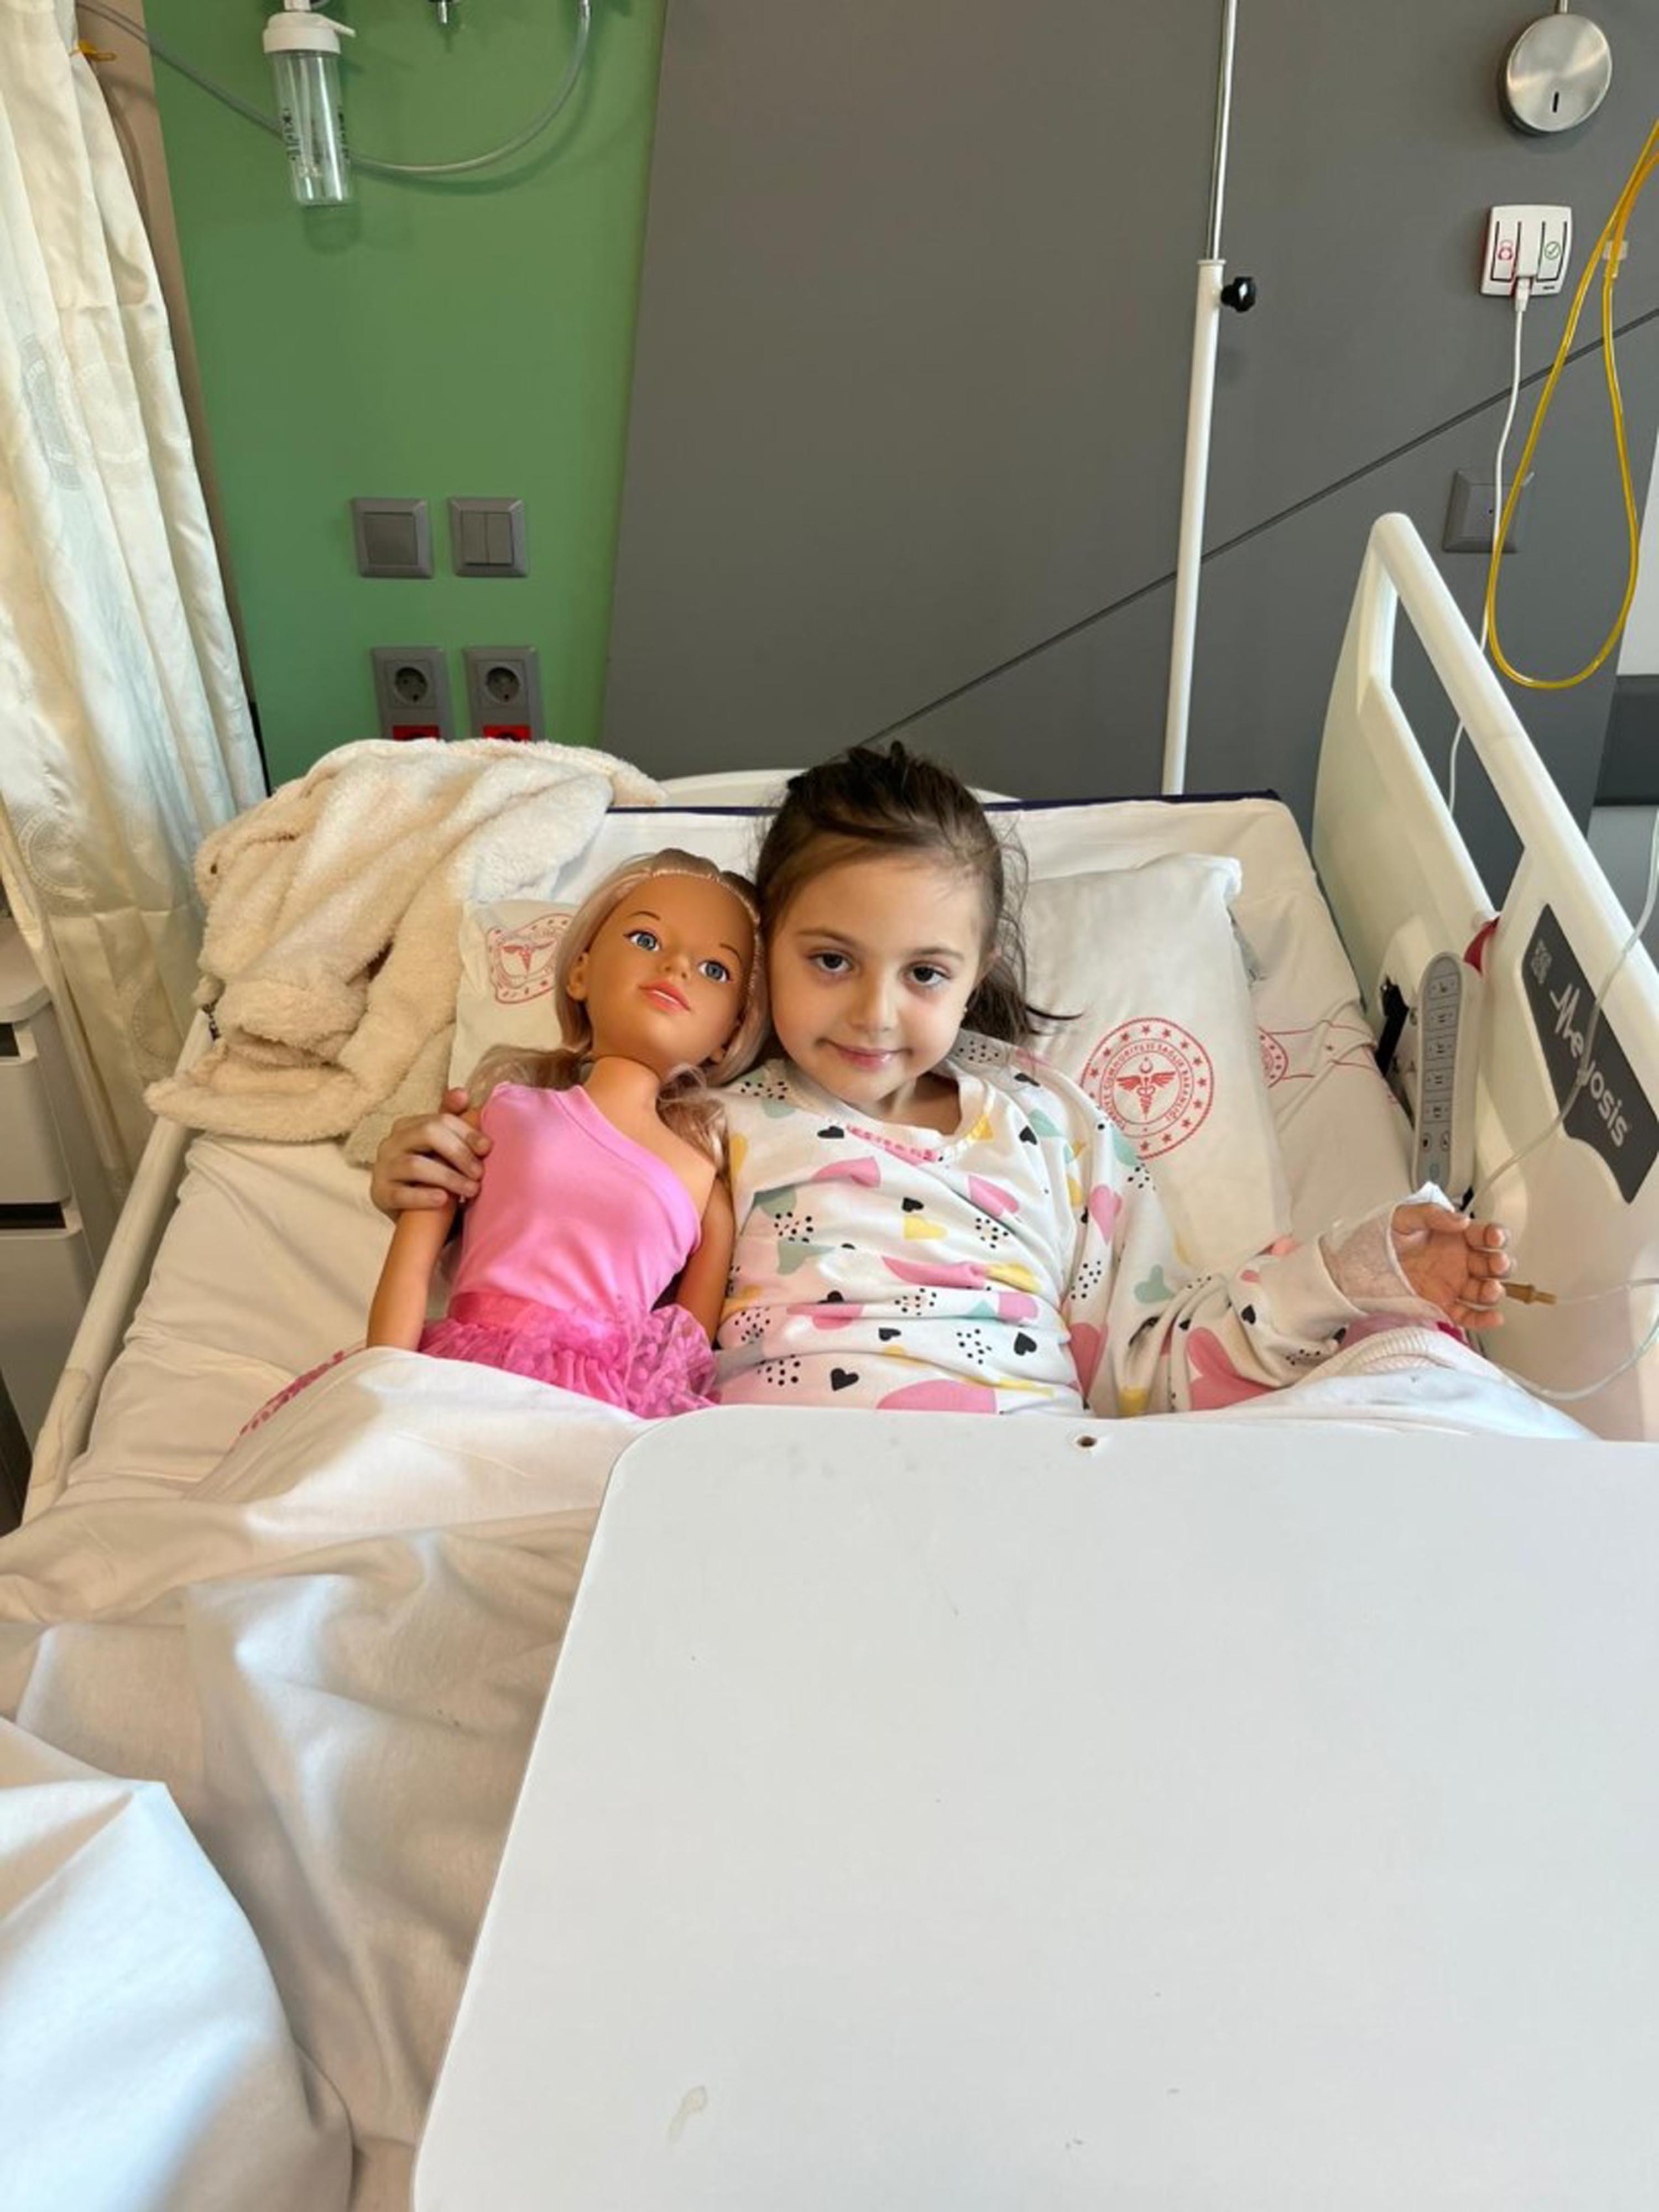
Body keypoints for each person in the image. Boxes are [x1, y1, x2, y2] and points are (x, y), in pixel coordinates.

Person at [374, 748, 1510, 1416]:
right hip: (773, 1484)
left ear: (975, 975)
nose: (875, 1012)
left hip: (1026, 1483)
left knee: (1430, 1401)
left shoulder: (1050, 1124)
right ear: (764, 956)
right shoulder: (715, 1121)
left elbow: (1147, 1363)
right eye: (830, 961)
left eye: (923, 973)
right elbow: (561, 1254)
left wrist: (1348, 1277)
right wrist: (425, 1174)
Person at [303, 850, 765, 1425]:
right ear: (580, 973)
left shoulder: (704, 1187)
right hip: (463, 1375)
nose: (676, 967)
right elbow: (412, 1265)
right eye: (646, 940)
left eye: (716, 970)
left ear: (730, 1035)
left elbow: (682, 1361)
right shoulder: (500, 1112)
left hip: (598, 1413)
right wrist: (383, 1391)